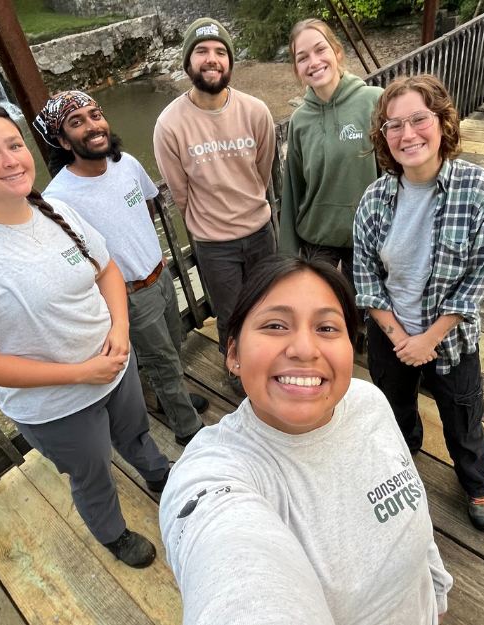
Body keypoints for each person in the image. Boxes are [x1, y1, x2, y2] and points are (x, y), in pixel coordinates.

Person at [0, 102, 170, 569]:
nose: (11, 160)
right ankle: (114, 534)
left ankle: (157, 474)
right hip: (56, 405)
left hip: (113, 364)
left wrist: (120, 329)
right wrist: (78, 372)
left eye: (14, 145)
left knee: (135, 432)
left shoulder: (55, 209)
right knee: (93, 472)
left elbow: (107, 269)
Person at [160, 254, 453, 624]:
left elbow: (418, 525)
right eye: (276, 325)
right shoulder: (216, 473)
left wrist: (438, 598)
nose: (304, 349)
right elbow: (229, 562)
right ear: (233, 353)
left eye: (328, 328)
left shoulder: (369, 402)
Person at [353, 75, 484, 532]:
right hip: (392, 337)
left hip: (452, 340)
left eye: (418, 119)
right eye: (393, 125)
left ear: (442, 122)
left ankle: (475, 483)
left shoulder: (481, 191)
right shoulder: (375, 199)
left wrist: (430, 339)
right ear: (384, 138)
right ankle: (404, 461)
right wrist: (403, 339)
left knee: (463, 417)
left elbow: (479, 277)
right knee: (393, 412)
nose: (407, 134)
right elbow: (366, 278)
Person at [35, 90, 208, 448]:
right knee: (161, 361)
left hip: (160, 276)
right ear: (63, 140)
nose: (92, 125)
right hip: (128, 293)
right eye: (76, 121)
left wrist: (149, 253)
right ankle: (188, 429)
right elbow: (71, 258)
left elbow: (144, 206)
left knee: (173, 348)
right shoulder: (59, 198)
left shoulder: (126, 163)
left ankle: (169, 400)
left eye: (95, 114)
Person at [153, 17, 277, 396]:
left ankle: (270, 359)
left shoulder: (256, 112)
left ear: (229, 61)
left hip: (260, 232)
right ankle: (237, 370)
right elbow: (179, 191)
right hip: (213, 243)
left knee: (268, 304)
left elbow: (263, 169)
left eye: (220, 52)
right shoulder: (169, 125)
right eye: (202, 51)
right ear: (188, 61)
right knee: (230, 314)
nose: (212, 59)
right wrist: (212, 222)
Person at [279, 18, 383, 286]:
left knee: (359, 314)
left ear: (337, 52)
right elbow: (293, 189)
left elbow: (394, 171)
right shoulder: (300, 121)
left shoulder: (374, 101)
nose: (313, 62)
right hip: (317, 236)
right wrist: (287, 255)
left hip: (367, 234)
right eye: (302, 58)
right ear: (297, 69)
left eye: (320, 50)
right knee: (319, 310)